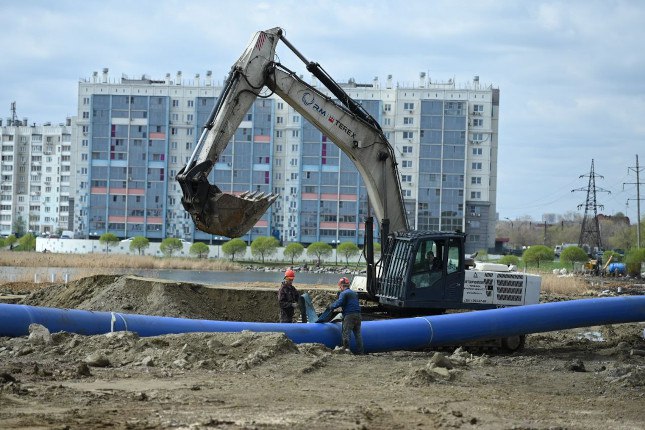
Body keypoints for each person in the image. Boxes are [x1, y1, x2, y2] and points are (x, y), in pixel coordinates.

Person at [328, 277, 364, 354]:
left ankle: (346, 350)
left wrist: (331, 306)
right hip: (358, 315)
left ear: (341, 285)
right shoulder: (354, 293)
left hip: (349, 315)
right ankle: (361, 353)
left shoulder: (344, 293)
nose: (339, 288)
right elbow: (351, 303)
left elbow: (339, 302)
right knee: (358, 334)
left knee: (346, 333)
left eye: (340, 286)